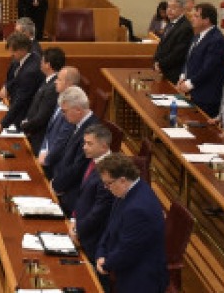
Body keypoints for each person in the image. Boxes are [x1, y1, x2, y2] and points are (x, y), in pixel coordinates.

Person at [94, 153, 167, 293]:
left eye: (108, 183)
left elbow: (128, 249)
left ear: (122, 180)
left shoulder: (138, 208)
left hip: (140, 281)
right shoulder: (126, 191)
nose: (106, 187)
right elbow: (110, 228)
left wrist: (106, 264)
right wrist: (101, 253)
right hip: (125, 268)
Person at [48, 85, 100, 213]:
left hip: (72, 195)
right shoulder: (78, 123)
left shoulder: (91, 132)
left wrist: (56, 185)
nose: (63, 115)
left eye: (65, 111)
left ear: (78, 110)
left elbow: (78, 168)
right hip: (62, 182)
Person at [174, 2, 224, 117]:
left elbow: (208, 68)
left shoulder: (216, 40)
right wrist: (183, 77)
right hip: (194, 92)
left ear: (206, 20)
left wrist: (189, 83)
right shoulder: (197, 35)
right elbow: (188, 59)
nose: (192, 19)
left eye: (196, 16)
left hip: (207, 96)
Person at [68, 123, 115, 255]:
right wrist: (73, 220)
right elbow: (82, 195)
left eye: (89, 144)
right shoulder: (94, 160)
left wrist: (78, 231)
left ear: (104, 146)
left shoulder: (109, 171)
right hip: (79, 226)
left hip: (91, 240)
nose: (84, 147)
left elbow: (99, 212)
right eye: (84, 143)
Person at [0, 32, 45, 132]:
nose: (10, 54)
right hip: (17, 109)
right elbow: (14, 78)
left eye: (13, 51)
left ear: (22, 50)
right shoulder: (21, 59)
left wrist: (2, 125)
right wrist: (7, 86)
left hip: (25, 115)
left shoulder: (31, 71)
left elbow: (20, 101)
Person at [19, 48, 67, 152]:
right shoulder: (47, 80)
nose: (39, 63)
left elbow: (42, 117)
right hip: (33, 131)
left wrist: (24, 127)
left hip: (38, 138)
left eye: (42, 61)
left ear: (48, 65)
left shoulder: (52, 88)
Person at [152, 0, 192, 83]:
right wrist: (156, 61)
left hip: (173, 73)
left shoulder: (185, 27)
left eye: (173, 7)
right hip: (163, 70)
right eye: (168, 7)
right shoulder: (170, 23)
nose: (169, 10)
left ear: (182, 10)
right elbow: (161, 45)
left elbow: (177, 53)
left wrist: (160, 64)